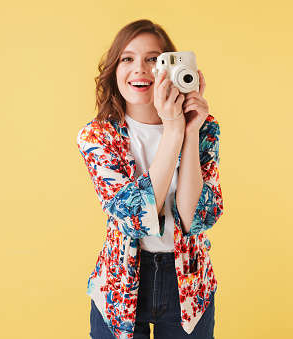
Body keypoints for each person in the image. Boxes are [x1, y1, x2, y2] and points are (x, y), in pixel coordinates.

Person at [77, 19, 223, 339]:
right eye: (127, 58)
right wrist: (172, 129)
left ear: (170, 69)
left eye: (154, 59)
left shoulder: (203, 127)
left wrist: (189, 131)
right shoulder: (98, 136)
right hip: (122, 282)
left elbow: (195, 218)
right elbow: (135, 219)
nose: (140, 69)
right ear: (114, 70)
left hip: (187, 283)